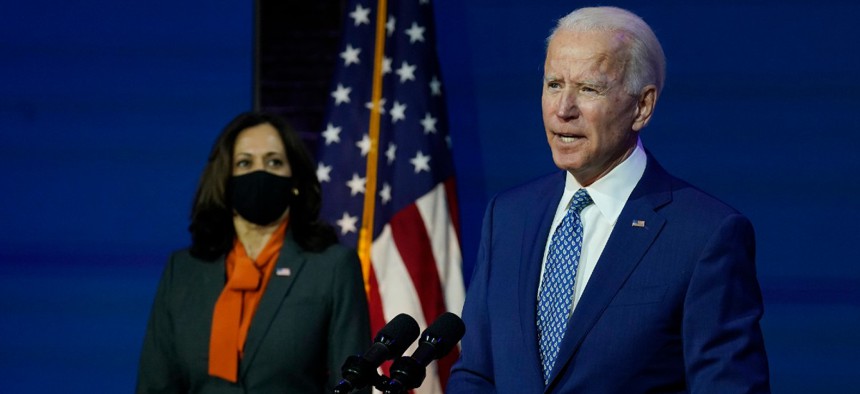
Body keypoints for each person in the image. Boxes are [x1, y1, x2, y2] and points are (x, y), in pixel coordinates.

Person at [447, 6, 770, 393]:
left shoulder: (704, 235)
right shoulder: (509, 216)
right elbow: (477, 374)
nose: (563, 110)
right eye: (554, 84)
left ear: (642, 106)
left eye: (588, 89)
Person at [137, 112, 371, 393]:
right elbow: (155, 385)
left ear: (294, 179)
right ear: (224, 179)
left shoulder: (333, 268)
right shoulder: (183, 270)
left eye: (274, 162)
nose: (260, 173)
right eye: (244, 163)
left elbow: (352, 387)